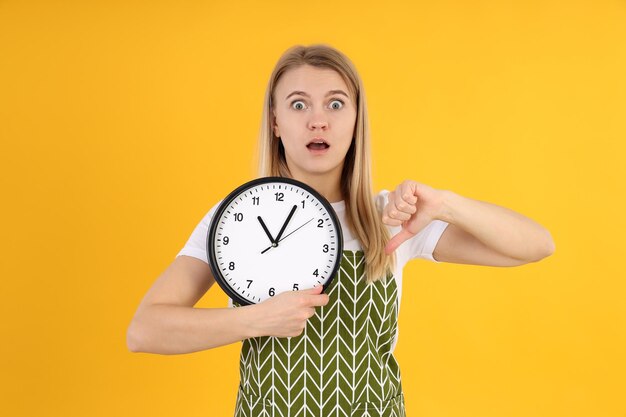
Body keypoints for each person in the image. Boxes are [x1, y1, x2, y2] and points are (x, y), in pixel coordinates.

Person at [127, 44, 555, 416]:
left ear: (355, 120)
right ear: (275, 121)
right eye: (298, 104)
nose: (318, 120)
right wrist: (253, 319)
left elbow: (536, 245)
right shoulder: (236, 218)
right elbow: (145, 329)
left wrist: (444, 204)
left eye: (335, 104)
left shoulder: (389, 217)